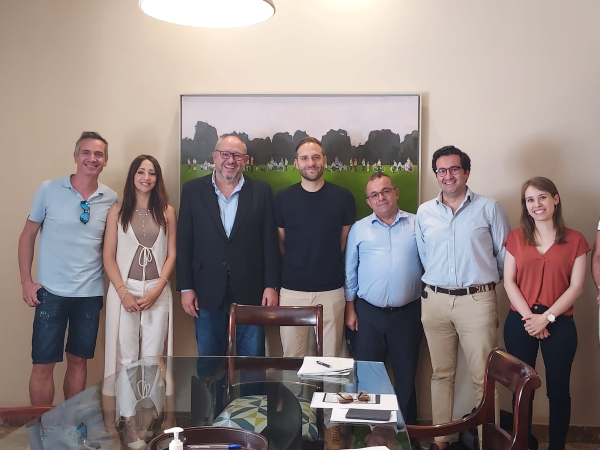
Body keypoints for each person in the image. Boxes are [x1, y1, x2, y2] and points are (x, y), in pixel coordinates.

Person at [416, 145, 510, 450]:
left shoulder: (489, 208)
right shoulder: (425, 212)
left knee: (485, 378)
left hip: (477, 301)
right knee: (441, 375)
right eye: (441, 170)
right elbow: (424, 255)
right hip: (435, 301)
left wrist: (482, 286)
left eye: (454, 169)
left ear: (466, 172)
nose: (448, 176)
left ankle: (487, 444)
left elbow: (504, 257)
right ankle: (441, 440)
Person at [18, 131, 117, 405]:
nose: (92, 158)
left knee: (78, 361)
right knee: (43, 364)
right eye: (86, 152)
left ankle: (69, 430)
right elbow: (27, 237)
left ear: (106, 161)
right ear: (75, 157)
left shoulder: (111, 199)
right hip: (50, 293)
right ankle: (40, 432)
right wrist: (27, 282)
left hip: (89, 295)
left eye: (98, 154)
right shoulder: (48, 189)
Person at [503, 177, 588, 450]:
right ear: (525, 206)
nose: (536, 204)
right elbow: (509, 282)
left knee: (558, 392)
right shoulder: (516, 237)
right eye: (530, 199)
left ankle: (557, 447)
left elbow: (576, 287)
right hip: (521, 322)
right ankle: (523, 444)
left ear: (555, 199)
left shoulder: (576, 240)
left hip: (559, 323)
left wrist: (547, 318)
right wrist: (532, 319)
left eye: (542, 197)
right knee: (522, 391)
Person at [177, 135, 279, 357]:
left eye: (237, 155)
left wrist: (271, 285)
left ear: (246, 160)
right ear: (215, 156)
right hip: (205, 290)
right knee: (210, 360)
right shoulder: (193, 190)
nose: (230, 160)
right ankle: (213, 395)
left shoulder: (261, 191)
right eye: (225, 154)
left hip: (251, 289)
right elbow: (184, 241)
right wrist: (186, 288)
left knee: (252, 361)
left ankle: (251, 395)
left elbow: (269, 241)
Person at [101, 155, 177, 446]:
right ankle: (128, 423)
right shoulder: (117, 211)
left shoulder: (167, 212)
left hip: (156, 291)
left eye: (152, 173)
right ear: (133, 175)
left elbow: (171, 254)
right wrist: (123, 293)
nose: (147, 177)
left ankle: (149, 419)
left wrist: (158, 288)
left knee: (152, 357)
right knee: (125, 358)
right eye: (141, 172)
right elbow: (108, 256)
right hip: (124, 291)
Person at [344, 172, 423, 436]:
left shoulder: (417, 224)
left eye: (386, 191)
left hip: (408, 313)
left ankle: (406, 433)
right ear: (368, 201)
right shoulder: (359, 228)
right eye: (375, 194)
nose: (381, 198)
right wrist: (350, 308)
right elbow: (350, 272)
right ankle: (371, 434)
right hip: (367, 314)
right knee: (368, 375)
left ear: (396, 193)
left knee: (406, 375)